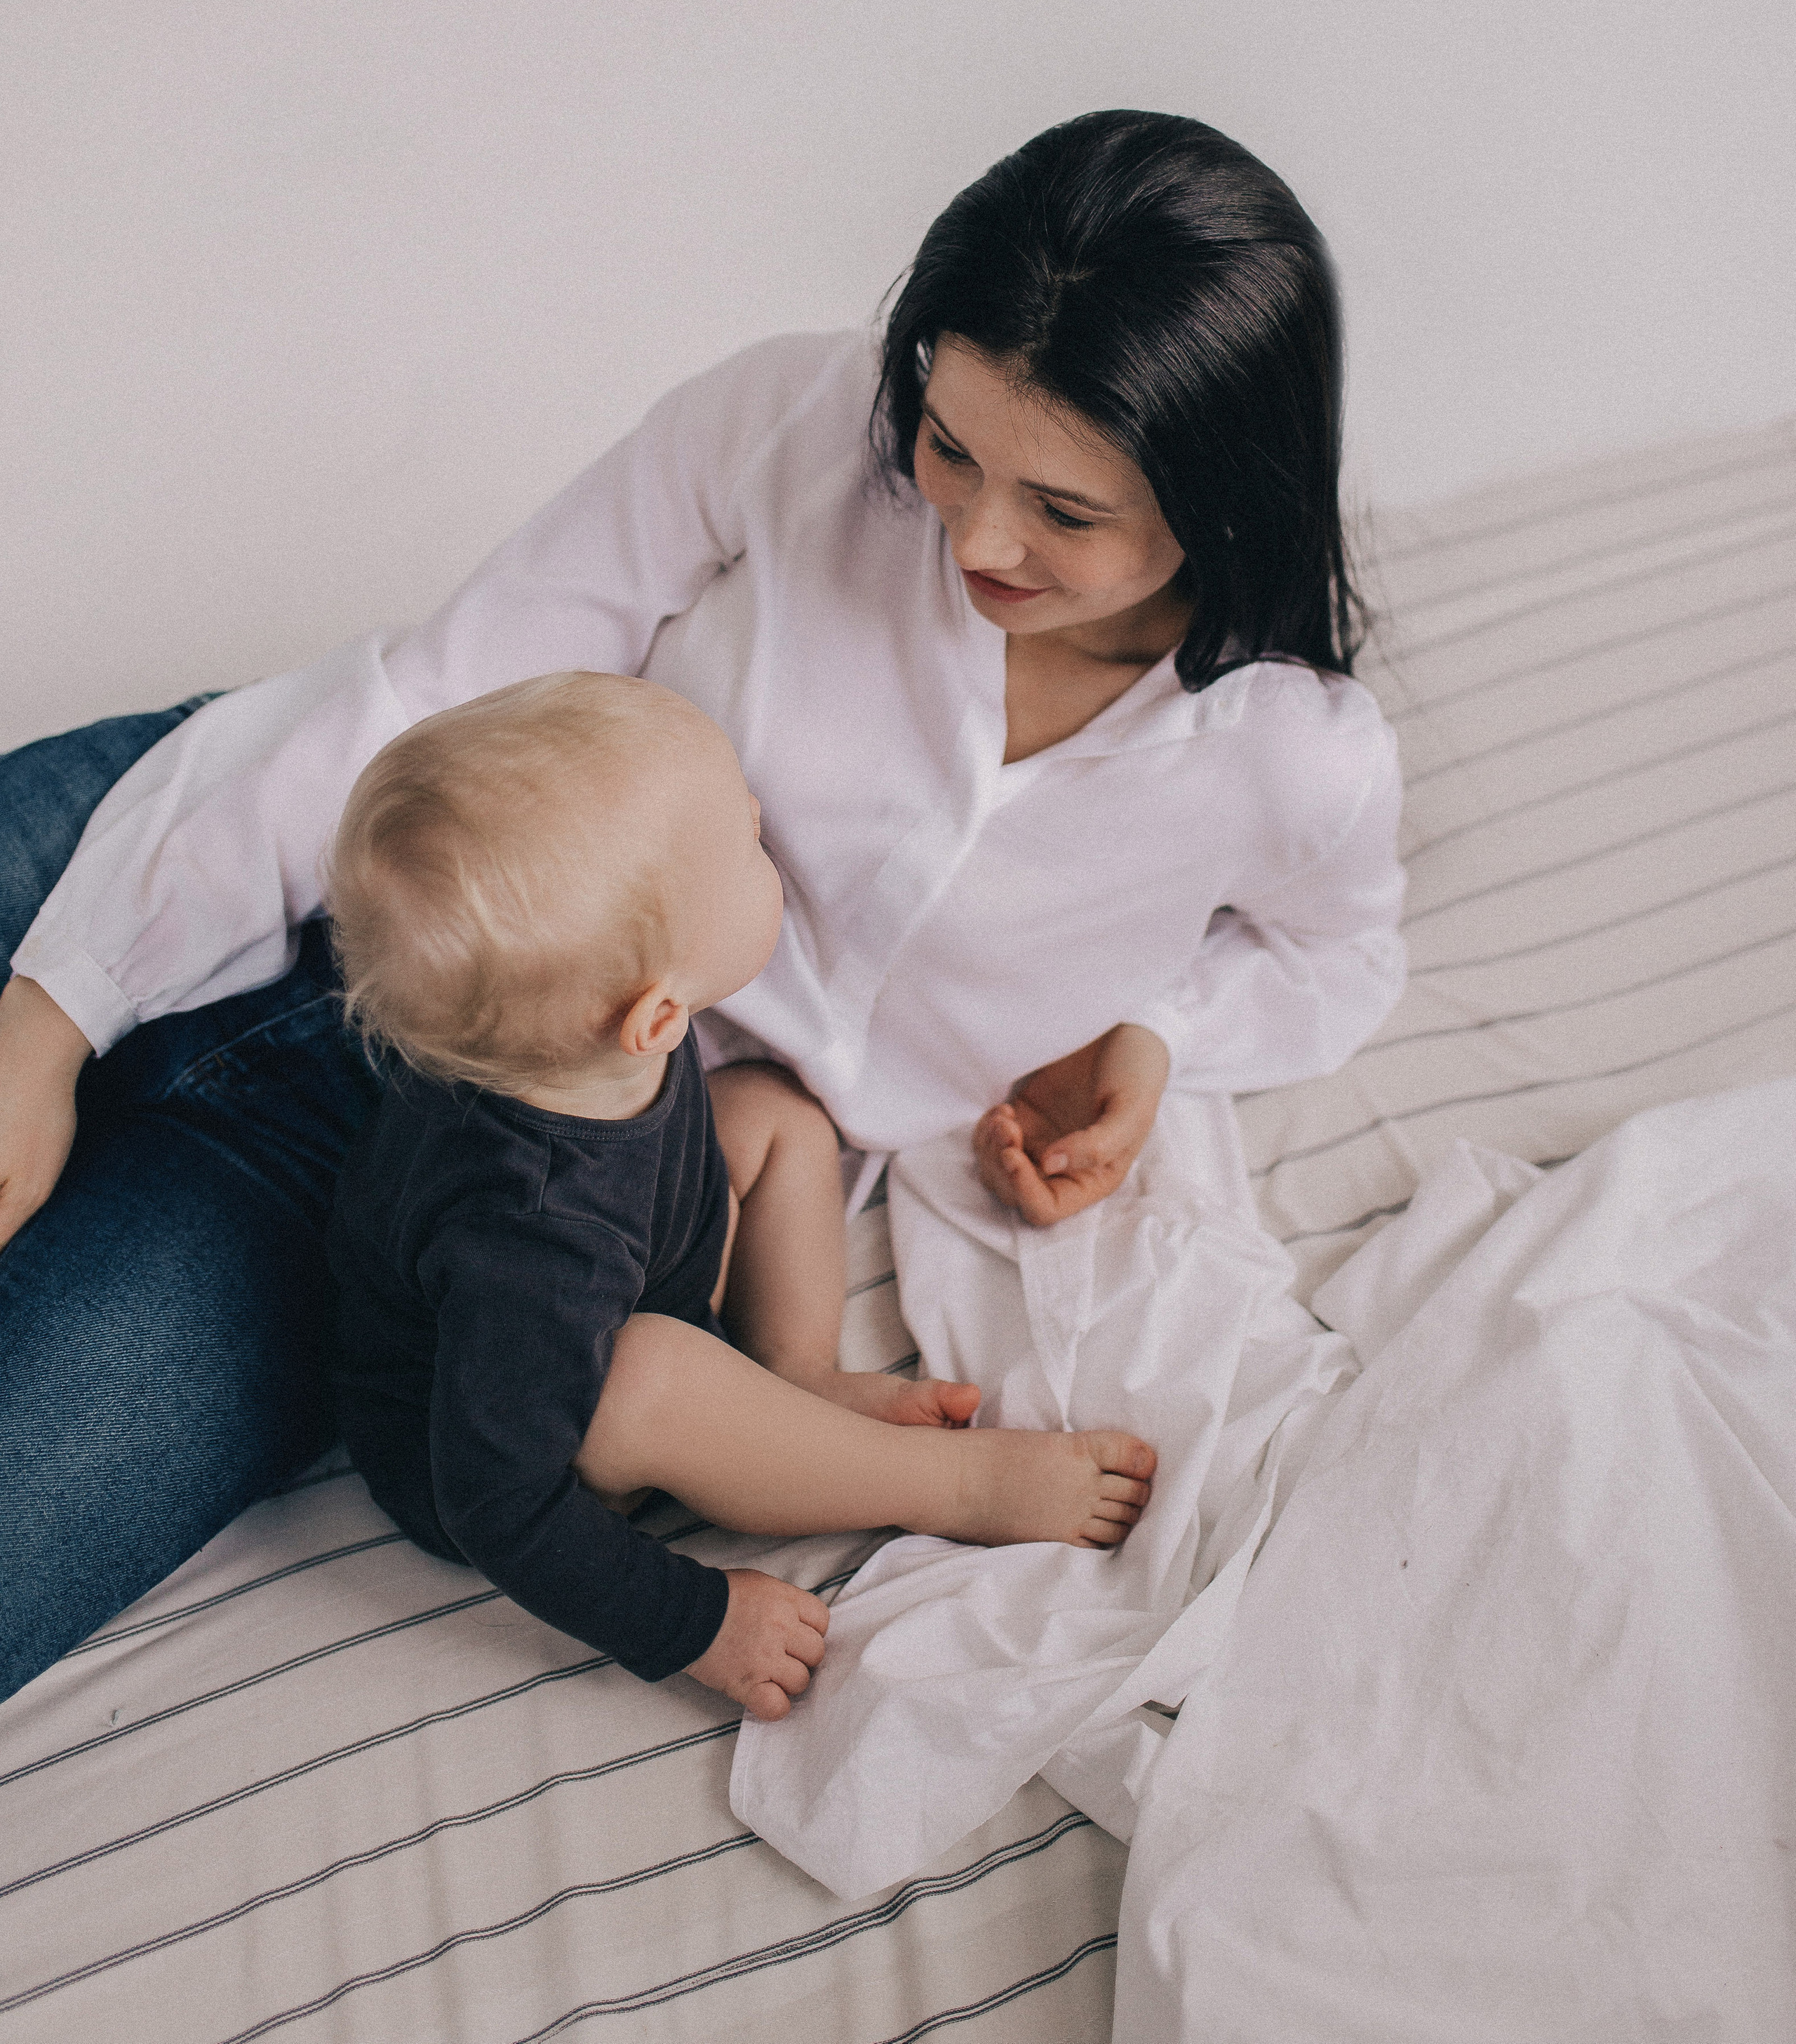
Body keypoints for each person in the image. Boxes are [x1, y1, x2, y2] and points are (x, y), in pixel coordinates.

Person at [0, 107, 1407, 1701]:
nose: (974, 536)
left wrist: (1145, 1029)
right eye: (948, 446)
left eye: (1064, 514)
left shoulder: (1290, 762)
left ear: (1224, 499)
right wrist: (58, 1008)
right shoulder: (801, 422)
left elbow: (1339, 960)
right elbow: (448, 689)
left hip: (470, 1162)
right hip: (379, 832)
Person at [326, 670, 1155, 1721]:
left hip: (633, 1279)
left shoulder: (570, 1046)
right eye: (744, 843)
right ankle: (954, 1486)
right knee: (645, 1374)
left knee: (768, 1111)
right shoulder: (527, 1243)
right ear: (657, 1016)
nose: (764, 821)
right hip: (527, 1437)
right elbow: (496, 1502)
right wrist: (693, 1622)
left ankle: (793, 1370)